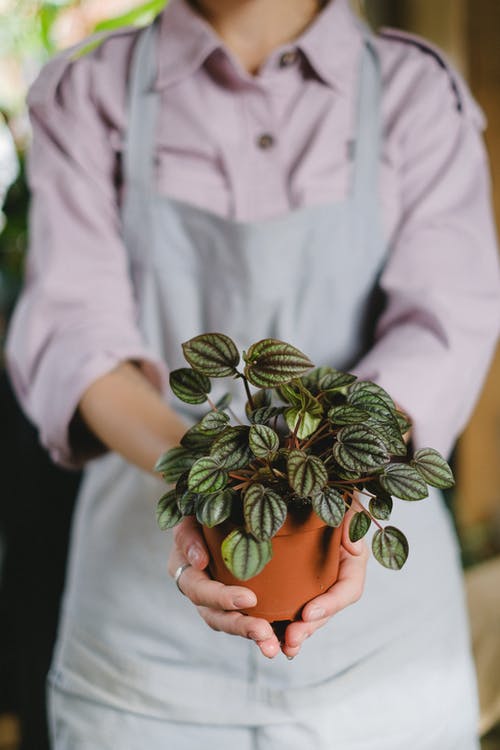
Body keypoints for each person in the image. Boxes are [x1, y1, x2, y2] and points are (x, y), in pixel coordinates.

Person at [5, 0, 500, 747]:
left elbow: (445, 331)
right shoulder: (94, 88)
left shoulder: (413, 91)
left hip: (382, 661)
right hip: (144, 664)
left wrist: (331, 486)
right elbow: (76, 337)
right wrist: (209, 480)